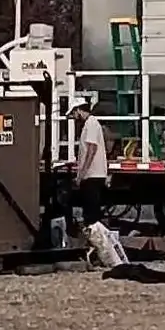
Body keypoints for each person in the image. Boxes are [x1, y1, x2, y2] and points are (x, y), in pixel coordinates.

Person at [72, 96, 110, 230]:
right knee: (90, 210)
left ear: (78, 110)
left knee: (91, 213)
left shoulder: (91, 123)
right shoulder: (89, 124)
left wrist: (82, 173)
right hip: (91, 175)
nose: (74, 116)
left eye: (74, 113)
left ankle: (96, 241)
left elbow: (92, 149)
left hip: (92, 175)